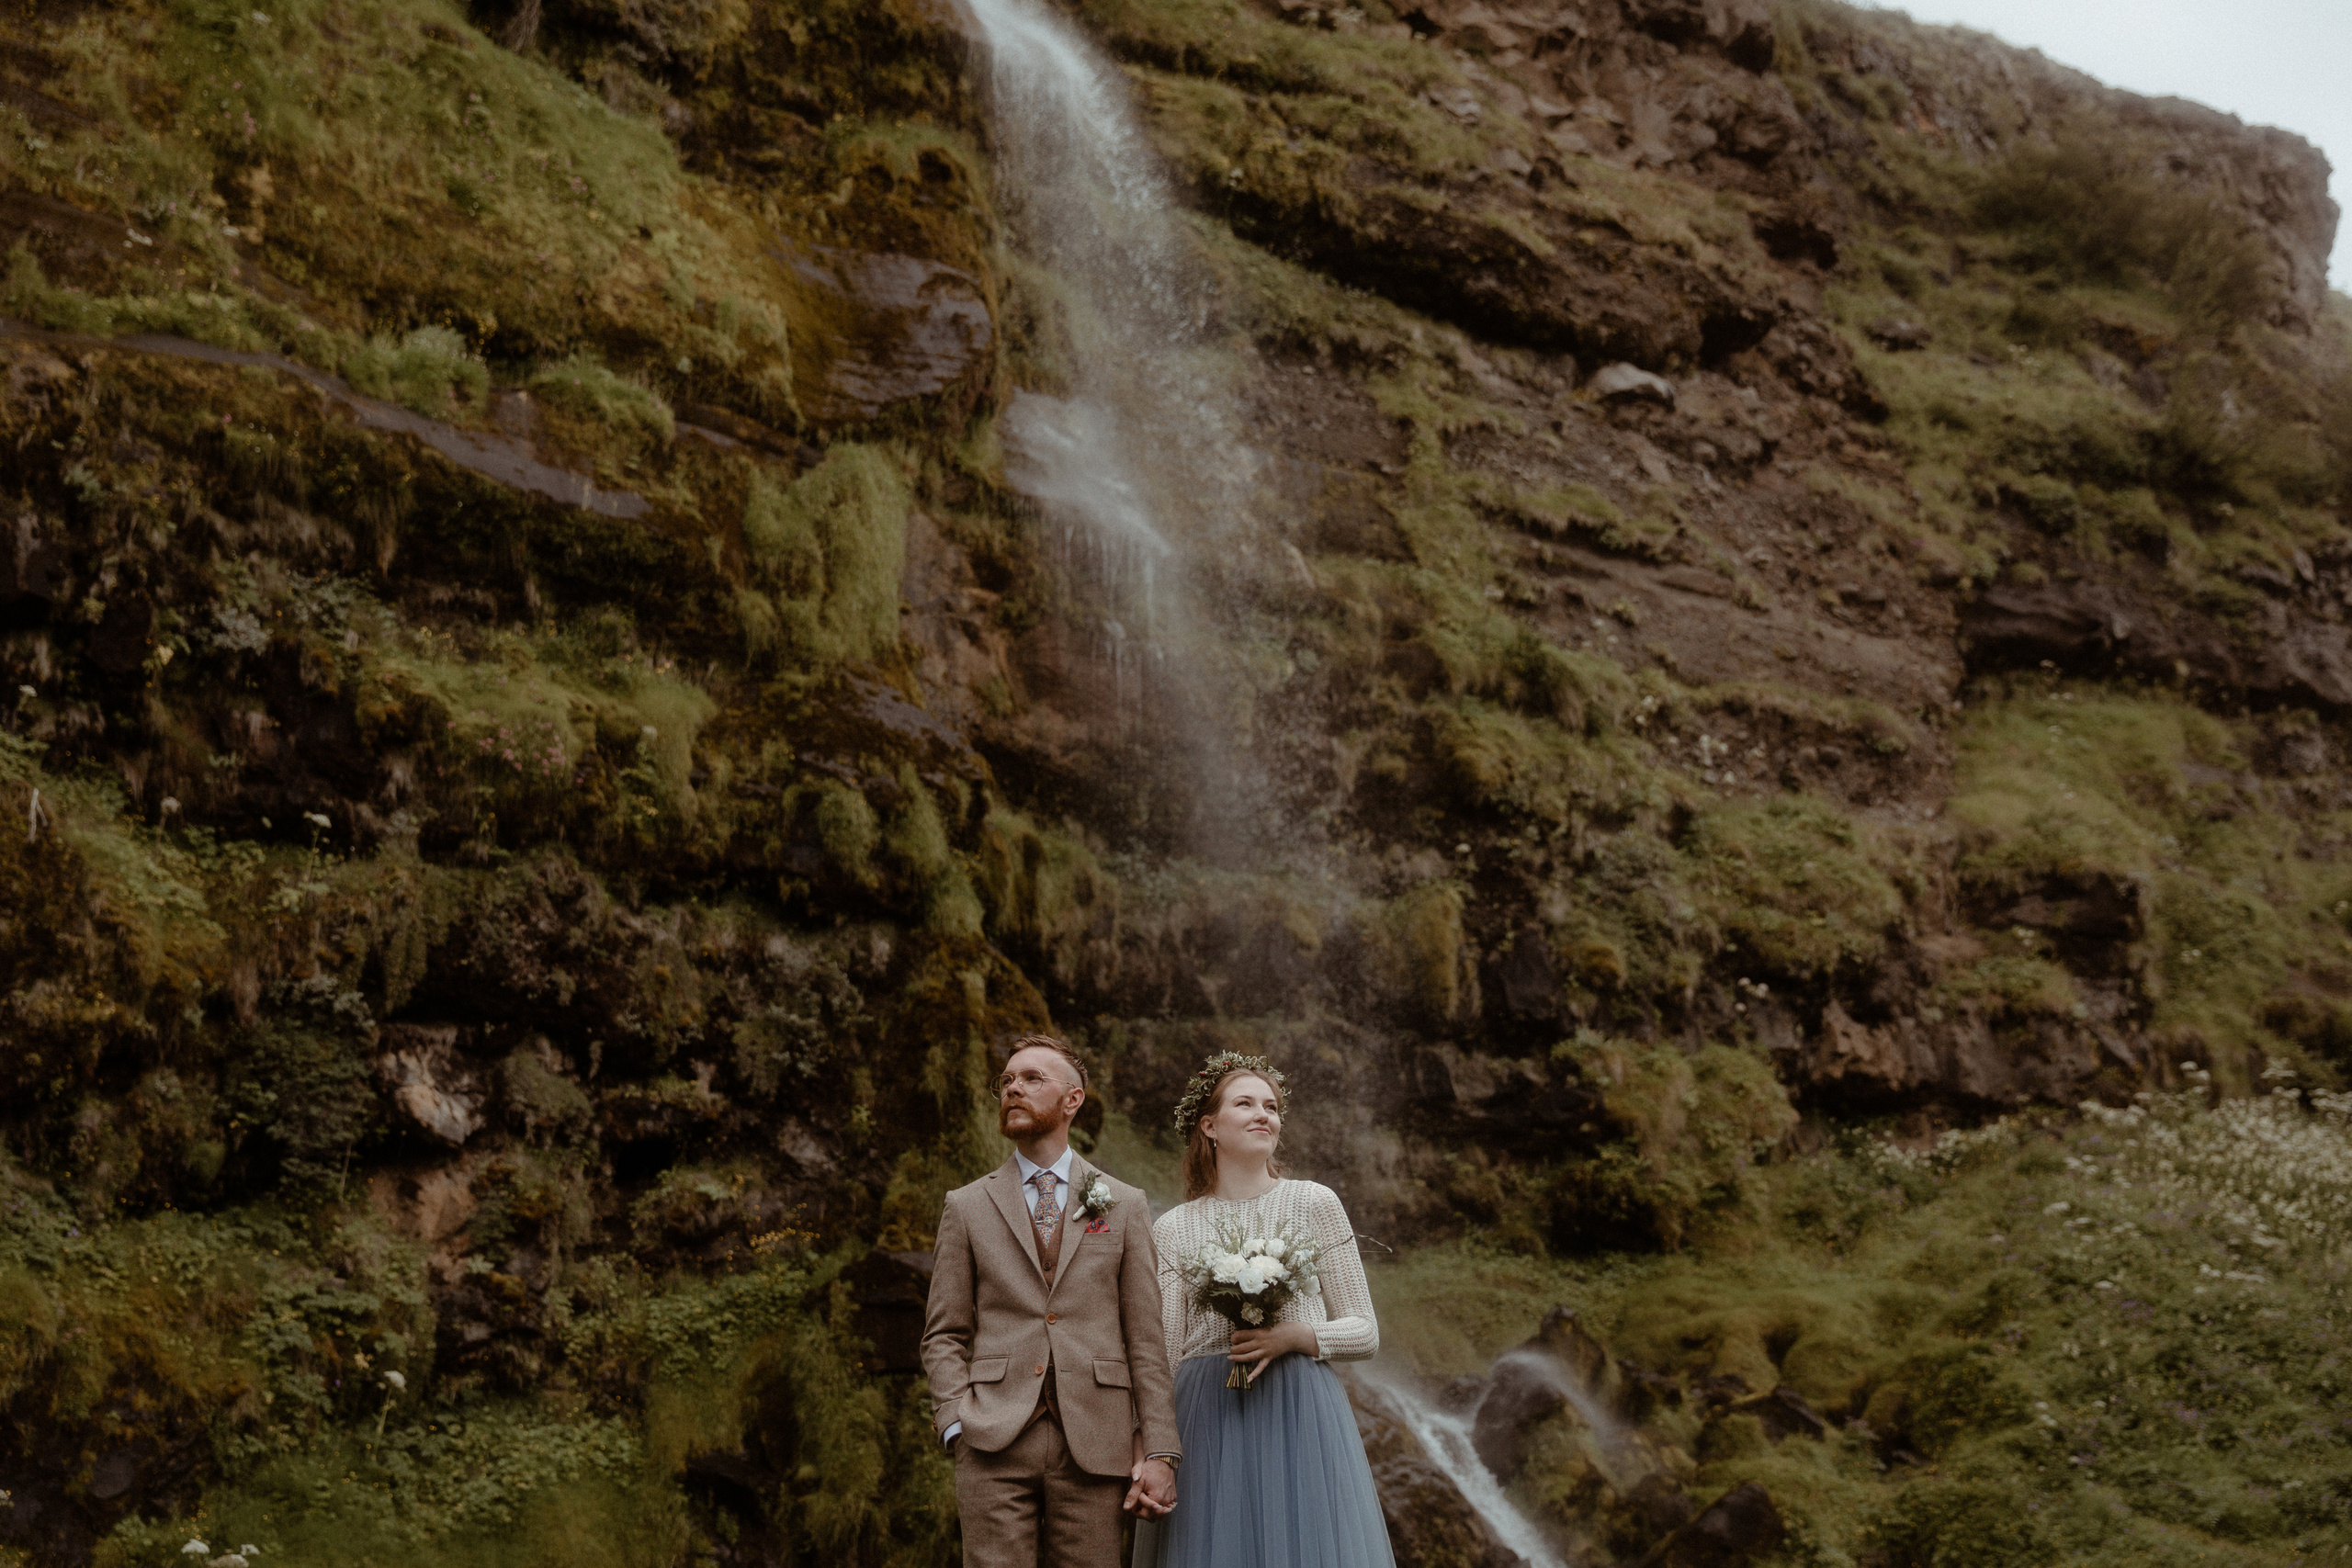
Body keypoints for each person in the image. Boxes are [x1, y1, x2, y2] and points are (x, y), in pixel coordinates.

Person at [922, 1033, 1182, 1568]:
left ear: (1073, 1099)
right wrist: (954, 1420)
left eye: (1031, 1078)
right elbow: (944, 1332)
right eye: (1006, 1081)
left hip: (1097, 1439)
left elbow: (1145, 1339)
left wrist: (1160, 1449)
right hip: (991, 1438)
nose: (1013, 1088)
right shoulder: (966, 1205)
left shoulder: (1125, 1204)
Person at [1138, 1051, 1396, 1568]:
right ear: (1209, 1126)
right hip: (1205, 1414)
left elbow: (1365, 1331)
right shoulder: (1172, 1227)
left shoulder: (1314, 1202)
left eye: (1271, 1107)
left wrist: (1295, 1336)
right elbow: (1163, 1354)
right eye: (1246, 1104)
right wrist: (1157, 1452)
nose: (1264, 1115)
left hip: (1299, 1409)